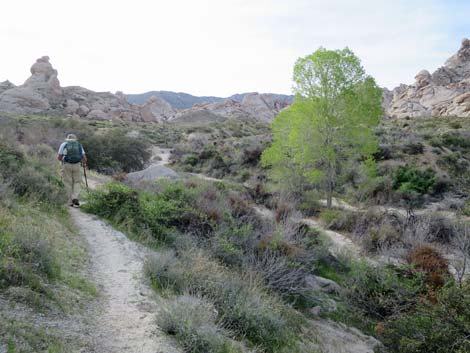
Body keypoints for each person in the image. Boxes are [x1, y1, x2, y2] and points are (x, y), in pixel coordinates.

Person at [57, 134, 87, 207]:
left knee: (67, 182)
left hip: (67, 165)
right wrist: (84, 164)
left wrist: (63, 161)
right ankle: (75, 197)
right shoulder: (79, 145)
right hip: (77, 165)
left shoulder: (64, 144)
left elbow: (59, 157)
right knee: (77, 182)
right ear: (75, 139)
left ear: (67, 139)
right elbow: (84, 157)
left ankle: (70, 201)